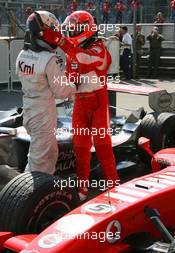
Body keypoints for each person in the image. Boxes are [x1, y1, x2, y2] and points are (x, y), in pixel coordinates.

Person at [61, 10, 119, 200]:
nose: (70, 33)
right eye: (69, 30)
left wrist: (62, 43)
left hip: (98, 102)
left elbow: (84, 59)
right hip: (80, 102)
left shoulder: (99, 49)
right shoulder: (72, 52)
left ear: (86, 29)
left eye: (74, 29)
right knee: (80, 148)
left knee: (103, 147)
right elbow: (71, 75)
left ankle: (113, 185)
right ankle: (82, 188)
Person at [16, 11, 77, 175]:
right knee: (42, 160)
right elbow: (62, 90)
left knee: (38, 154)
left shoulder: (22, 55)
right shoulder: (49, 59)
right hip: (43, 113)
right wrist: (76, 85)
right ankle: (30, 195)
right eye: (54, 28)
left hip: (29, 108)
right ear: (44, 31)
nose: (56, 32)